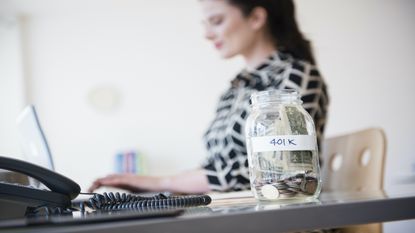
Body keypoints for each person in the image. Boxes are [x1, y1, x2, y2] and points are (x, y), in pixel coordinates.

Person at [88, 0, 329, 194]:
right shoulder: (234, 89)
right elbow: (215, 167)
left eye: (216, 21)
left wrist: (164, 183)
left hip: (281, 217)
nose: (207, 34)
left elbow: (276, 171)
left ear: (256, 18)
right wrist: (158, 187)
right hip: (240, 213)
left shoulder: (297, 77)